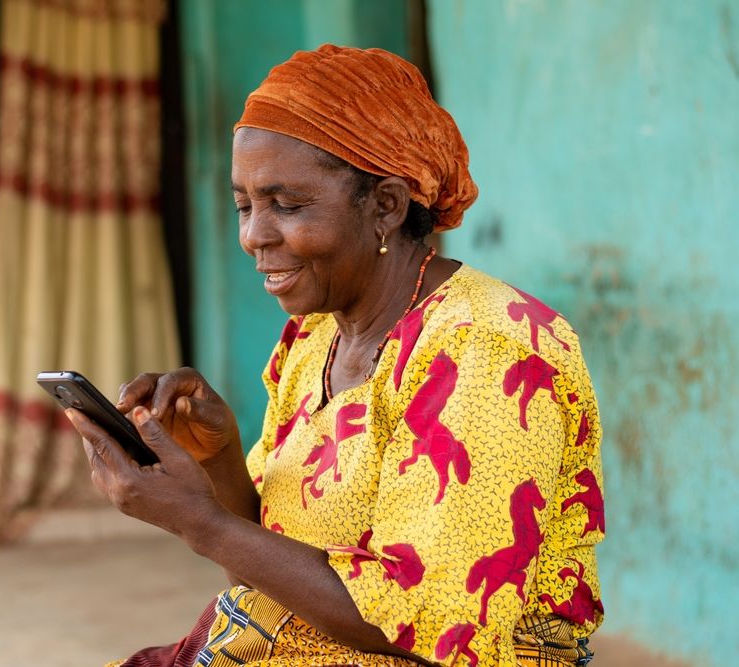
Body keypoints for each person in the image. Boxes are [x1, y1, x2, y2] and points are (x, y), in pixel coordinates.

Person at [65, 44, 604, 667]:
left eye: (286, 206)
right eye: (244, 206)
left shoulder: (489, 348)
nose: (253, 236)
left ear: (386, 206)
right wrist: (216, 457)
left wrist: (200, 523)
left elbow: (430, 626)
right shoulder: (318, 334)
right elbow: (277, 554)